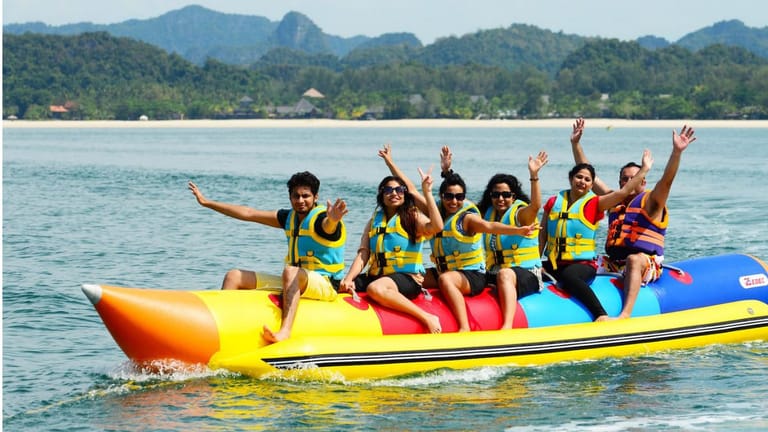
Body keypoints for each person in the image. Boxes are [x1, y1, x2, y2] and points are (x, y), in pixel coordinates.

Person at [379, 144, 539, 331]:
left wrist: (517, 230)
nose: (454, 201)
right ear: (441, 196)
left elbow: (489, 226)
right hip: (443, 270)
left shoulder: (467, 218)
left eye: (459, 197)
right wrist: (390, 162)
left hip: (471, 275)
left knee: (446, 280)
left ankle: (464, 327)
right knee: (412, 277)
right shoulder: (436, 212)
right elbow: (412, 190)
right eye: (448, 196)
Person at [188, 172, 349, 344]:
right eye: (296, 196)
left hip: (325, 284)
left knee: (290, 272)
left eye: (306, 196)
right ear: (290, 197)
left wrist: (333, 220)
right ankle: (220, 329)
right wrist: (207, 202)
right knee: (233, 276)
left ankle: (285, 331)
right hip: (295, 281)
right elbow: (248, 213)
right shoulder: (288, 217)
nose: (300, 200)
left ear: (315, 196)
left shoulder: (322, 219)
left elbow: (328, 227)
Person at [569, 118, 696, 318]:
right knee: (581, 260)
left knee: (633, 260)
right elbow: (589, 175)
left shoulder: (652, 201)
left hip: (646, 262)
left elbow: (667, 181)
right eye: (624, 179)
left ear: (643, 181)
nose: (628, 181)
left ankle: (626, 313)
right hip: (614, 262)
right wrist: (576, 144)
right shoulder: (614, 201)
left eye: (632, 178)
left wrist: (676, 152)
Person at [539, 150, 652, 322]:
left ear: (592, 185)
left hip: (582, 264)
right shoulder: (553, 202)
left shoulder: (596, 203)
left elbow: (622, 193)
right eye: (578, 177)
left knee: (570, 277)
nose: (582, 182)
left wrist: (644, 169)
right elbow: (542, 236)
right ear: (571, 179)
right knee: (524, 272)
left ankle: (600, 314)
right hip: (554, 263)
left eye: (587, 179)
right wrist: (534, 263)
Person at [339, 163, 444, 334]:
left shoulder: (413, 216)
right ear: (381, 194)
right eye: (388, 190)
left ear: (404, 194)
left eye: (399, 190)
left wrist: (428, 192)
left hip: (408, 279)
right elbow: (363, 253)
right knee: (337, 284)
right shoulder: (375, 220)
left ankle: (426, 317)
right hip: (378, 275)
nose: (393, 193)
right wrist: (349, 278)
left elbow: (437, 227)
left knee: (376, 289)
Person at [472, 148, 550, 329]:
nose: (501, 198)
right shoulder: (486, 214)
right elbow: (455, 206)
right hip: (493, 272)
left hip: (527, 274)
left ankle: (507, 326)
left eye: (506, 195)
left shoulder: (521, 215)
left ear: (513, 196)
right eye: (496, 194)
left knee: (505, 273)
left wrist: (534, 176)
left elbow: (536, 205)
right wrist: (447, 174)